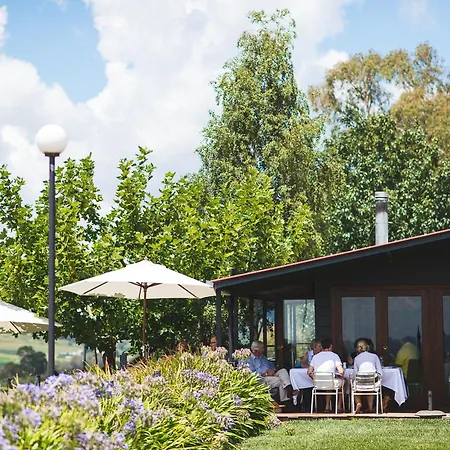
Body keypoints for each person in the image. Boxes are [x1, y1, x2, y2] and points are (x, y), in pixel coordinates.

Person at [307, 337, 345, 412]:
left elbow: (309, 372)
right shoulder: (334, 356)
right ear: (331, 346)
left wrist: (315, 378)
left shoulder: (316, 357)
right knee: (344, 382)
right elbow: (341, 371)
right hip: (330, 382)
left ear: (321, 347)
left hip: (318, 383)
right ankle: (338, 406)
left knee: (329, 383)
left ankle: (327, 407)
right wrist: (337, 374)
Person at [352, 338, 383, 413]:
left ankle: (358, 403)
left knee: (354, 387)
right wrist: (379, 378)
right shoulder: (374, 356)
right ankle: (370, 407)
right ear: (367, 347)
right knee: (371, 387)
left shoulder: (356, 358)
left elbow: (355, 373)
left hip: (360, 383)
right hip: (372, 383)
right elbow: (380, 372)